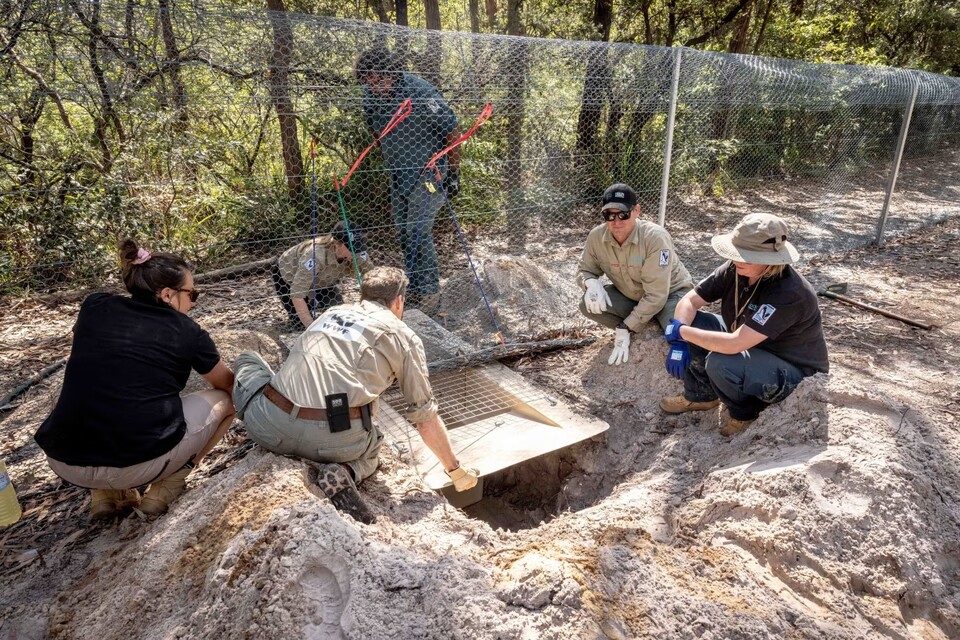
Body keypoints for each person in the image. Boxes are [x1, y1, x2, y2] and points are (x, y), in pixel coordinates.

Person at [232, 266, 478, 524]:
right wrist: (456, 470)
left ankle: (237, 412)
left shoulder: (331, 312)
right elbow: (425, 418)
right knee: (373, 445)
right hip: (330, 445)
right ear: (398, 301)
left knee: (248, 358)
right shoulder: (404, 336)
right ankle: (349, 470)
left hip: (268, 427)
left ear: (363, 296)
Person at [34, 239, 236, 519]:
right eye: (192, 294)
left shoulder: (95, 306)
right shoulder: (188, 332)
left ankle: (106, 495)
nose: (193, 301)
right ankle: (168, 485)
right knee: (227, 401)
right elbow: (227, 384)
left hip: (64, 461)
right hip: (137, 465)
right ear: (167, 294)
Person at [659, 213, 829, 436]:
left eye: (747, 256)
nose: (738, 259)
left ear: (770, 260)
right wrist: (680, 339)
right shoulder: (737, 268)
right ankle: (702, 396)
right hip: (751, 343)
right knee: (696, 322)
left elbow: (735, 344)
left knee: (720, 362)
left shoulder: (789, 292)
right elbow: (690, 301)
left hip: (793, 370)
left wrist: (681, 332)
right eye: (736, 253)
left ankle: (744, 413)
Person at [355, 47, 462, 316]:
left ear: (391, 73)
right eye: (368, 81)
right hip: (398, 174)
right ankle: (414, 287)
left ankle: (430, 294)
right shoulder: (370, 96)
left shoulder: (421, 92)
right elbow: (375, 129)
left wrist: (454, 172)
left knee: (417, 231)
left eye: (378, 80)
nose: (373, 87)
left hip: (429, 174)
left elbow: (452, 129)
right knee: (403, 232)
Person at [577, 183, 694, 366]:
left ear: (637, 210)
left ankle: (646, 324)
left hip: (670, 295)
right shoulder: (596, 237)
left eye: (623, 214)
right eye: (609, 215)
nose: (616, 221)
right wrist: (590, 282)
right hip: (633, 296)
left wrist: (625, 327)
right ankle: (646, 324)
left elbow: (657, 295)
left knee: (678, 335)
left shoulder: (655, 238)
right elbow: (584, 269)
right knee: (587, 304)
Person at [272, 221, 370, 330]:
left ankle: (315, 305)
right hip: (288, 278)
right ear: (338, 244)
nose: (357, 251)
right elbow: (297, 294)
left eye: (358, 246)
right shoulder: (315, 255)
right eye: (352, 248)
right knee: (302, 326)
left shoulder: (358, 252)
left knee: (338, 314)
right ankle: (309, 308)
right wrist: (312, 329)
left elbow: (374, 277)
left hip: (323, 281)